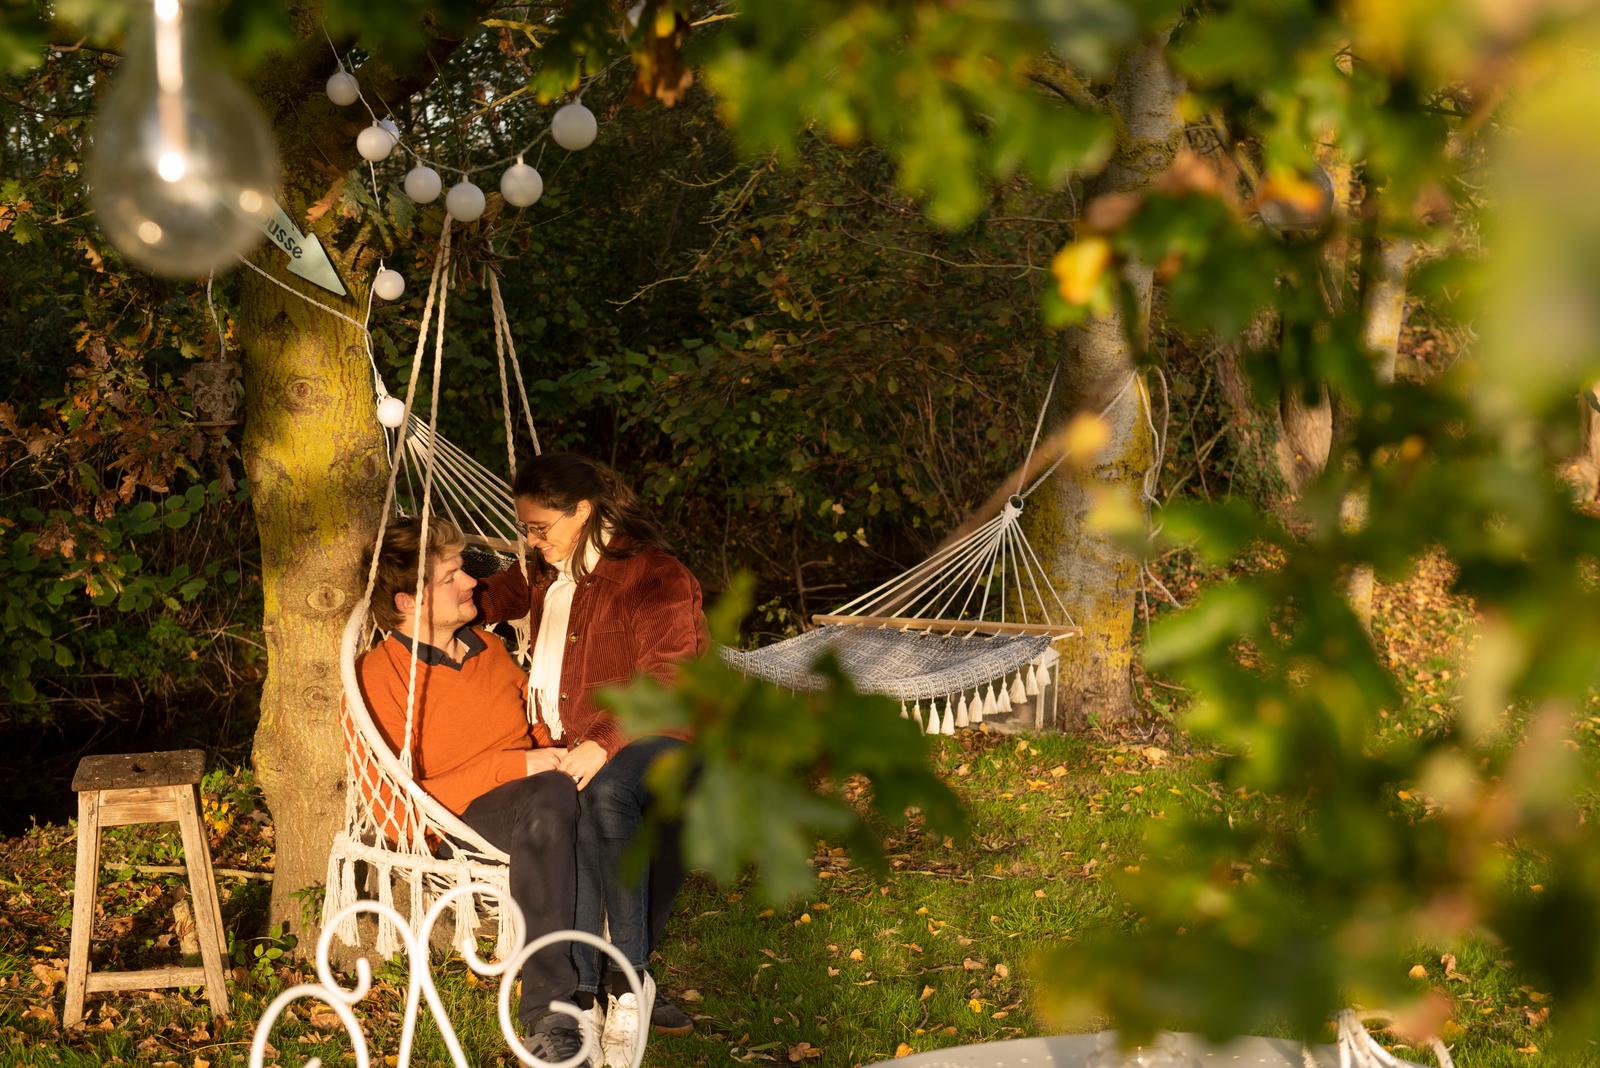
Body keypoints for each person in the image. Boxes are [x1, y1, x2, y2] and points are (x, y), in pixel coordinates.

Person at [476, 452, 709, 1068]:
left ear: (583, 511)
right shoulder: (543, 568)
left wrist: (601, 742)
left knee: (605, 794)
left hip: (660, 734)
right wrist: (431, 589)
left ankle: (627, 980)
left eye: (539, 527)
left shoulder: (655, 574)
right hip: (583, 738)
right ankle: (582, 989)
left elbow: (666, 677)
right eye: (523, 527)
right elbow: (491, 598)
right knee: (574, 799)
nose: (529, 540)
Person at [356, 515, 589, 1064]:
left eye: (464, 570)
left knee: (617, 790)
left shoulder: (488, 647)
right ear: (409, 602)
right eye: (453, 576)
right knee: (552, 798)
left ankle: (621, 974)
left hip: (535, 796)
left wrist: (570, 752)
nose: (472, 585)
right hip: (456, 823)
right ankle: (550, 1011)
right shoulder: (381, 675)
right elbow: (400, 801)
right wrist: (520, 766)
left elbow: (534, 731)